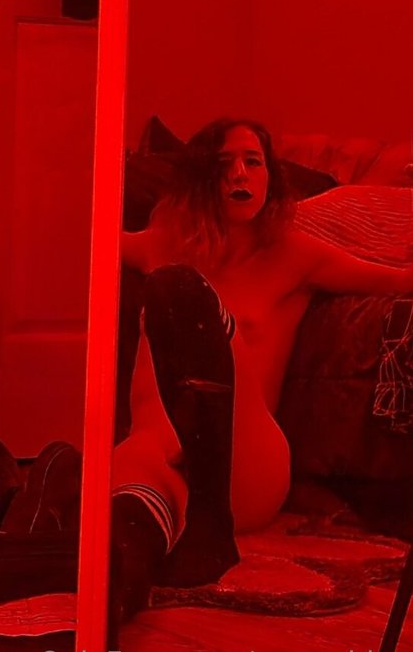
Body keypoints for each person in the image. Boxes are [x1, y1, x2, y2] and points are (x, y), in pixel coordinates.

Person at [108, 117, 413, 646]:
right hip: (158, 453)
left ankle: (206, 316)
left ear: (270, 176)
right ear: (201, 178)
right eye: (223, 164)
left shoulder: (295, 255)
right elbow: (80, 241)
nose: (240, 174)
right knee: (126, 511)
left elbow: (398, 280)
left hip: (244, 466)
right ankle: (109, 608)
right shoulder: (161, 243)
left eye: (253, 161)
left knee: (181, 293)